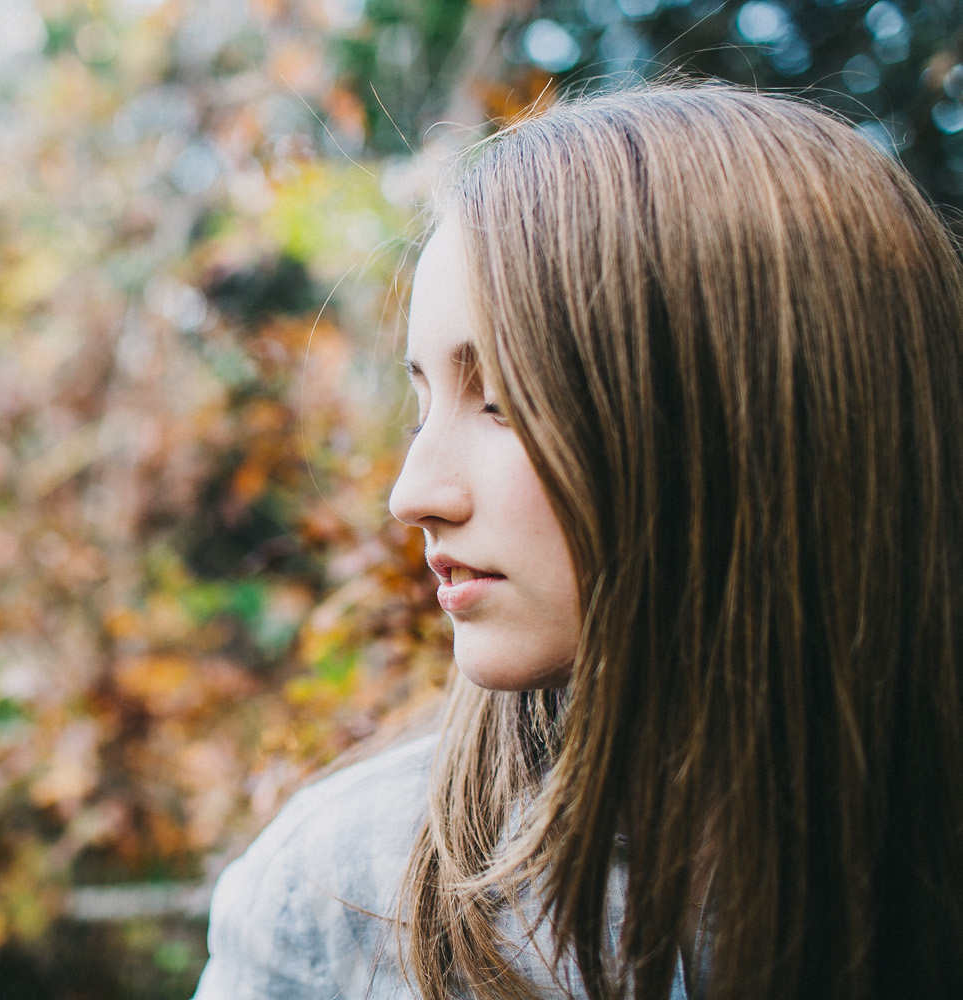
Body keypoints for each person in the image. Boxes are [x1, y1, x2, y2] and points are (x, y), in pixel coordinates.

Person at [190, 83, 963, 1000]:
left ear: (752, 420)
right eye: (422, 400)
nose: (412, 495)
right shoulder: (342, 903)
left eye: (503, 400)